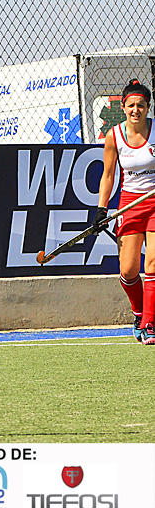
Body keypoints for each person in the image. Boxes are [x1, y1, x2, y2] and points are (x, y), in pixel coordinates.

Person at [94, 79, 154, 344]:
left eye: (141, 105)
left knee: (152, 264)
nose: (136, 110)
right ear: (123, 106)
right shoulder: (114, 136)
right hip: (130, 204)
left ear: (148, 107)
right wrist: (101, 209)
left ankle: (150, 324)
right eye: (131, 105)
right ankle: (139, 312)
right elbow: (108, 176)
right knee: (129, 270)